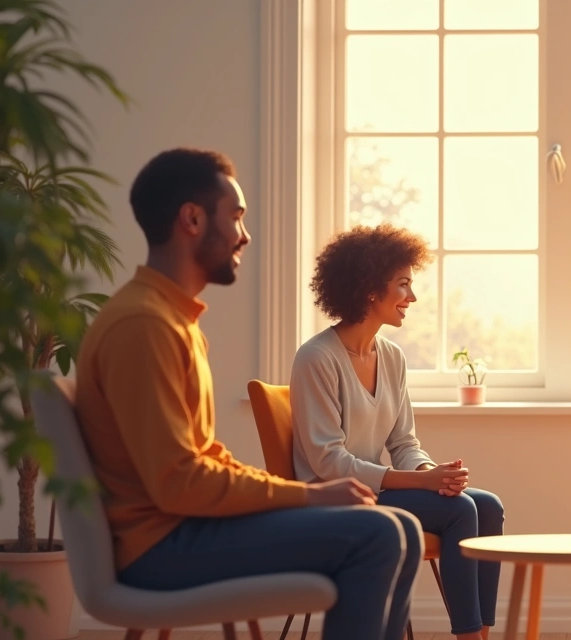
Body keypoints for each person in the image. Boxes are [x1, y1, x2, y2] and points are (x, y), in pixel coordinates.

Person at [75, 149, 424, 640]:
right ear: (192, 219)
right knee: (379, 535)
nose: (245, 234)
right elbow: (179, 483)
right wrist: (306, 495)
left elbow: (201, 458)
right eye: (236, 216)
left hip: (184, 529)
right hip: (162, 546)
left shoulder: (171, 319)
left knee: (401, 528)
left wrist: (301, 496)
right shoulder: (145, 325)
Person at [291, 224, 505, 640]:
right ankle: (469, 637)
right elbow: (327, 460)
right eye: (403, 285)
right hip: (336, 497)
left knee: (488, 505)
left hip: (380, 490)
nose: (412, 297)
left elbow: (403, 442)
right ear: (371, 290)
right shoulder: (316, 358)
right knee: (462, 510)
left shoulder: (391, 356)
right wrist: (418, 481)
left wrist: (431, 473)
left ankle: (480, 630)